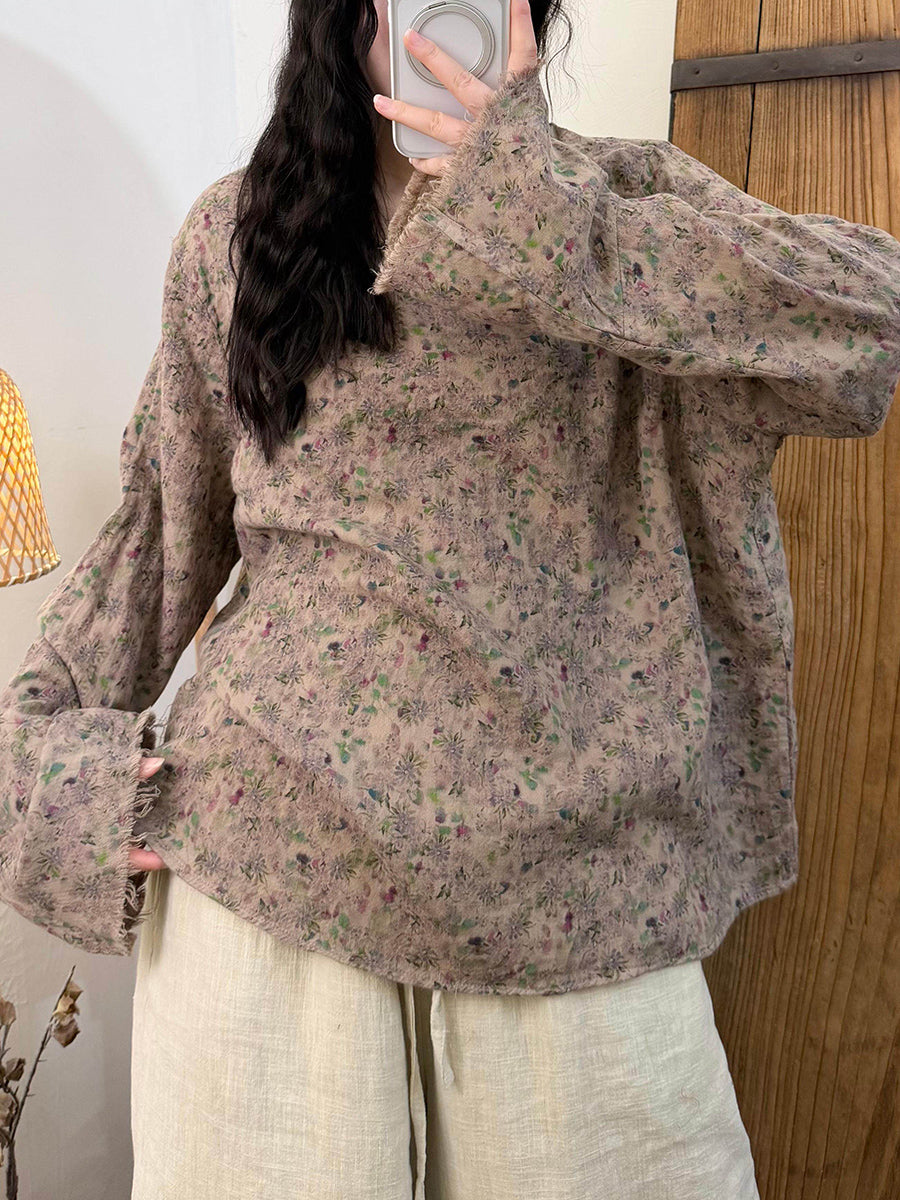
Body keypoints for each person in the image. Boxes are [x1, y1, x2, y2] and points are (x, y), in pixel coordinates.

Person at [4, 0, 900, 1196]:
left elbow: (865, 327)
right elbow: (165, 524)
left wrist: (542, 219)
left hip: (576, 898)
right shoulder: (237, 237)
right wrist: (38, 747)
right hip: (269, 882)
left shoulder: (618, 204)